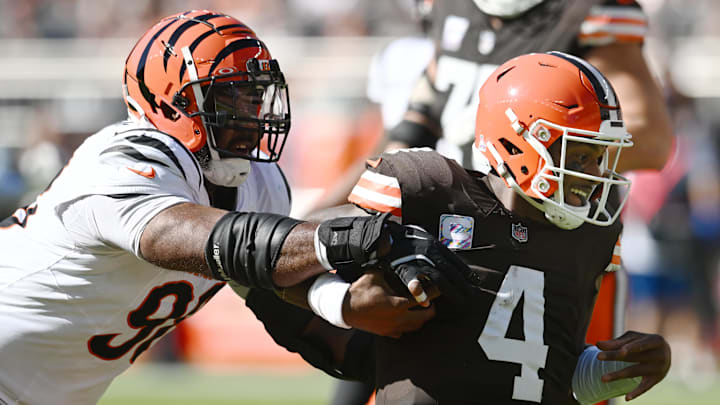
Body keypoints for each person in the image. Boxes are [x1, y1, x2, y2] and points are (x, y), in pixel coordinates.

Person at [0, 10, 477, 405]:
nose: (252, 114)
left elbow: (289, 307)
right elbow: (192, 237)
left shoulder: (256, 182)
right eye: (230, 98)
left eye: (255, 96)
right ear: (171, 105)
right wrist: (350, 238)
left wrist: (370, 324)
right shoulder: (122, 158)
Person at [322, 1, 674, 402]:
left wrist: (542, 163)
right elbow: (408, 130)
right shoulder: (449, 11)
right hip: (439, 220)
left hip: (549, 233)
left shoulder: (587, 9)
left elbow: (650, 139)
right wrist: (311, 213)